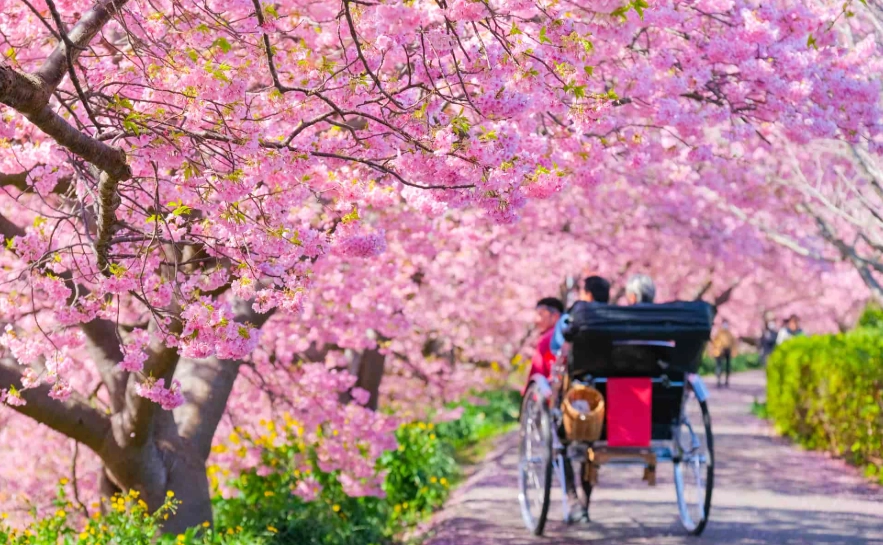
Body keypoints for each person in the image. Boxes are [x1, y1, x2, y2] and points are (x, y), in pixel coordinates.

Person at [548, 275, 611, 525]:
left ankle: (573, 498)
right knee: (590, 448)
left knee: (560, 440)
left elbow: (556, 348)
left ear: (588, 295)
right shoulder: (617, 320)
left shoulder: (574, 318)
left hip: (580, 396)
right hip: (613, 396)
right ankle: (583, 501)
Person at [550, 275, 611, 355]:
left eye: (581, 291)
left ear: (589, 295)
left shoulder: (572, 317)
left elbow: (556, 348)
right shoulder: (614, 318)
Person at [523, 297, 564, 394]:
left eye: (541, 314)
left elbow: (538, 370)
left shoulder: (547, 338)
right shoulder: (565, 335)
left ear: (555, 316)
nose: (536, 320)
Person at [710, 319, 737, 388]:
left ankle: (726, 380)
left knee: (727, 366)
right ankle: (718, 380)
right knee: (719, 366)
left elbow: (733, 343)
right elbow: (714, 342)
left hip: (727, 350)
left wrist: (733, 351)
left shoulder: (729, 333)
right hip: (719, 351)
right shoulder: (719, 333)